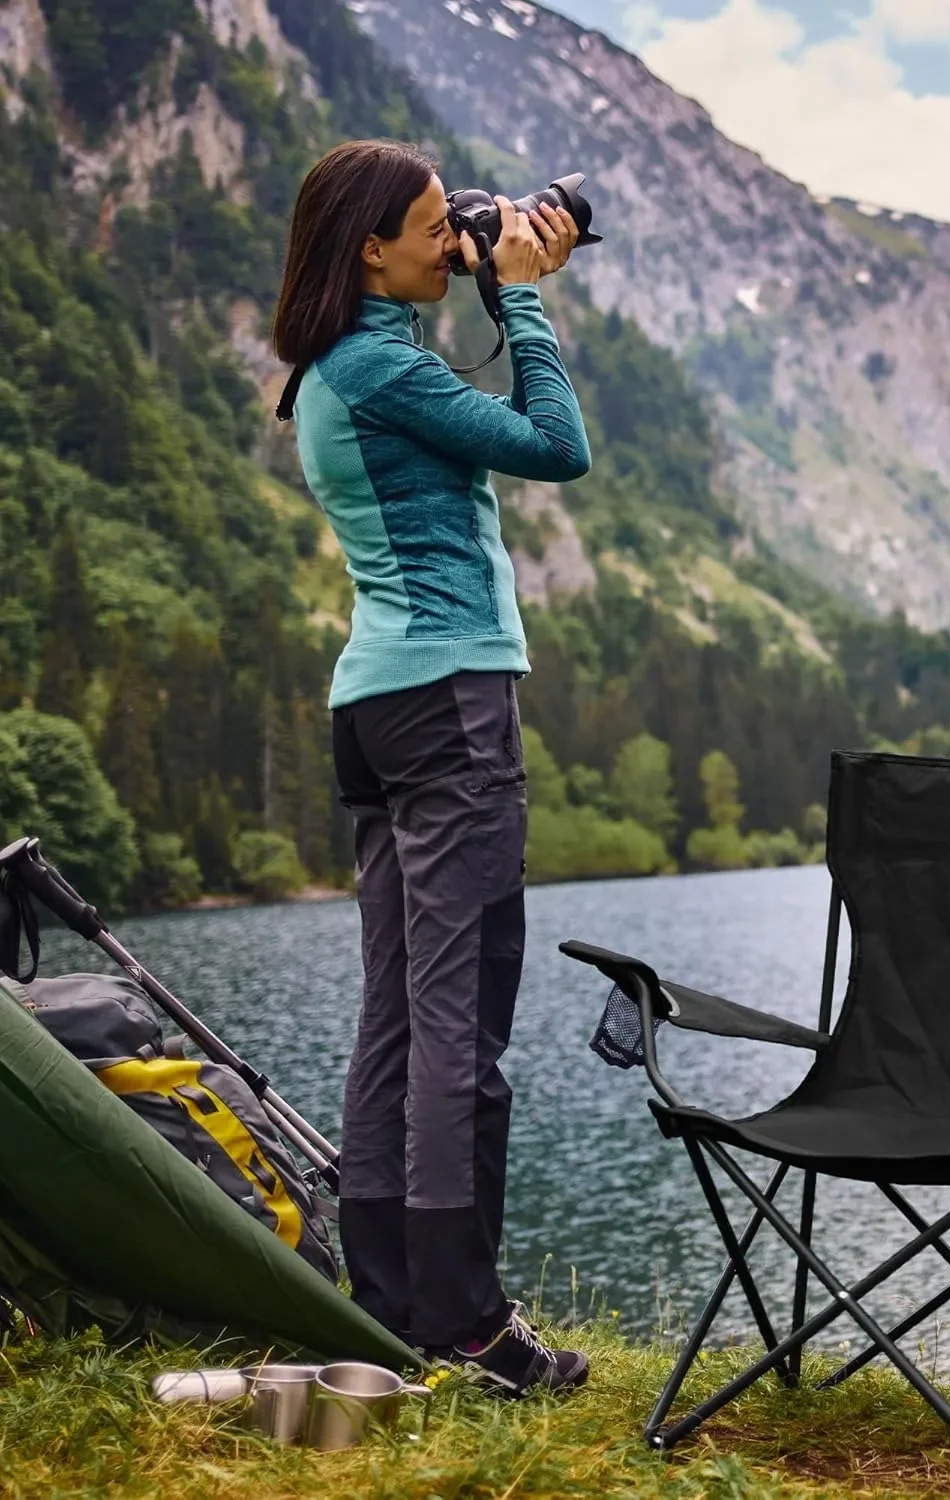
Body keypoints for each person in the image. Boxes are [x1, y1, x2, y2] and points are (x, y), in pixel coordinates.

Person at [271, 140, 591, 1396]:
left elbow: (431, 384)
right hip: (451, 703)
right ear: (368, 251)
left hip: (380, 703)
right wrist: (524, 298)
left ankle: (394, 1301)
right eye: (426, 228)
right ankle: (470, 1324)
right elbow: (551, 446)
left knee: (398, 1015)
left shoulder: (343, 363)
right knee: (461, 1022)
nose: (445, 241)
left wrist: (473, 273)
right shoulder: (374, 366)